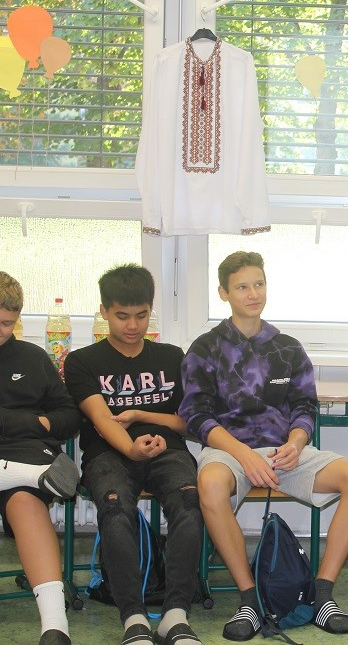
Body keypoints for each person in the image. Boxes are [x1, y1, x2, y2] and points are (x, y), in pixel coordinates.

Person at [180, 251, 348, 641]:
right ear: (223, 293)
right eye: (242, 287)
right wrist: (243, 455)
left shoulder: (287, 347)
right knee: (211, 485)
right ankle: (250, 600)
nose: (253, 294)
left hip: (285, 453)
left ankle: (321, 595)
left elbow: (305, 407)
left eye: (259, 284)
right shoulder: (205, 348)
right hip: (229, 452)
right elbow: (195, 416)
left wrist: (296, 443)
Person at [64, 265, 202, 645]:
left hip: (167, 450)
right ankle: (134, 618)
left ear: (150, 310)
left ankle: (175, 615)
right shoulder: (82, 361)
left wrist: (143, 417)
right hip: (109, 453)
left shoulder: (172, 357)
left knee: (190, 503)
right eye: (122, 316)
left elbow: (189, 424)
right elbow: (100, 418)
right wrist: (130, 448)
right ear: (104, 311)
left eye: (141, 315)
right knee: (114, 509)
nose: (133, 325)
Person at [0, 272, 81, 645]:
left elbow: (69, 417)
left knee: (25, 504)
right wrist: (24, 422)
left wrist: (37, 423)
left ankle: (55, 627)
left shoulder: (32, 358)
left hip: (26, 453)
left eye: (6, 323)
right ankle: (28, 475)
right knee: (28, 485)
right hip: (30, 467)